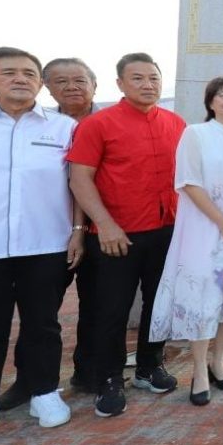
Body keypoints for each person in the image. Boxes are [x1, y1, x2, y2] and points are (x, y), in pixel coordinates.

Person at [68, 52, 185, 417]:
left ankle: (150, 366)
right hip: (115, 234)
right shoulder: (98, 124)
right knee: (111, 310)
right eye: (138, 78)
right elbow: (80, 178)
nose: (148, 85)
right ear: (120, 83)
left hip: (166, 231)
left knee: (159, 303)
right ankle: (108, 378)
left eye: (153, 78)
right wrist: (104, 224)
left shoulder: (175, 122)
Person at [0, 47, 82, 431]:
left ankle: (45, 393)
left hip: (46, 244)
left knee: (43, 324)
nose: (20, 79)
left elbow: (78, 185)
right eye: (9, 73)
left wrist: (77, 232)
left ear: (40, 83)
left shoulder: (63, 128)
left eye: (29, 73)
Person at [0, 57, 101, 413]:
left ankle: (90, 373)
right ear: (47, 87)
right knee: (40, 312)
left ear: (94, 85)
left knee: (99, 305)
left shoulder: (107, 121)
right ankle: (29, 381)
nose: (72, 87)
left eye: (79, 80)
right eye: (61, 81)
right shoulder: (43, 126)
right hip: (51, 237)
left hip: (104, 231)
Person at [148, 76, 223, 406]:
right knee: (201, 298)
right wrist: (221, 221)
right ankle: (198, 370)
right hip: (205, 228)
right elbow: (188, 182)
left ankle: (218, 361)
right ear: (210, 102)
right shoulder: (196, 133)